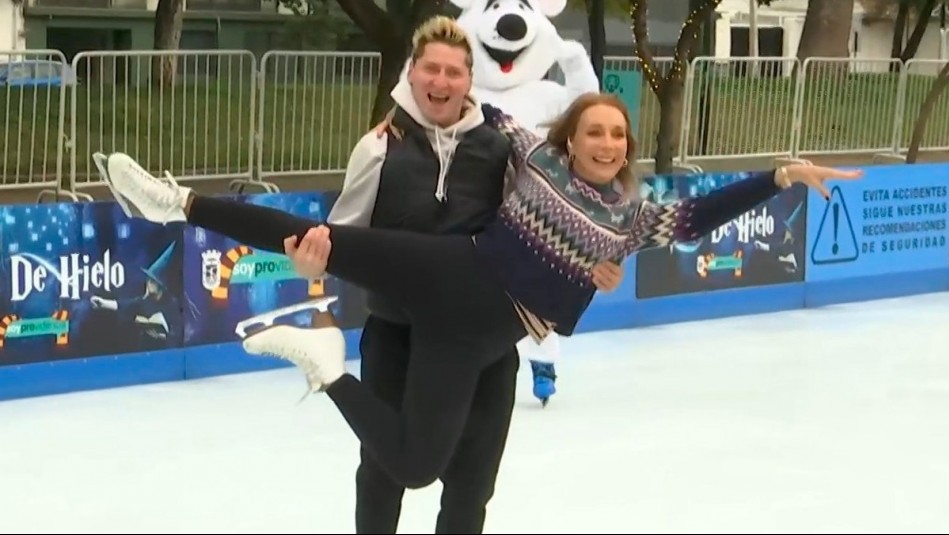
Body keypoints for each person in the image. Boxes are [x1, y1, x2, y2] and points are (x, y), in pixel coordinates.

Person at [91, 92, 862, 506]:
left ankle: (326, 365)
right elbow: (459, 100)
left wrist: (781, 175)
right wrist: (403, 111)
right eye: (594, 131)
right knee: (318, 234)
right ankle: (175, 202)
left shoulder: (630, 220)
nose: (607, 144)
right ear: (570, 137)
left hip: (481, 338)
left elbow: (698, 217)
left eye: (618, 136)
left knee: (421, 467)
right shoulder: (533, 155)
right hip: (447, 272)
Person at [319, 15, 614, 534]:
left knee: (472, 485)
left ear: (468, 80)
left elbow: (544, 223)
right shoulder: (378, 148)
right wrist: (320, 282)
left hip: (483, 347)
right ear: (411, 74)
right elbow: (340, 238)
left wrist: (592, 266)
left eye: (454, 72)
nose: (441, 81)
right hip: (397, 338)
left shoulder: (500, 150)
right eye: (430, 68)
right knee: (384, 474)